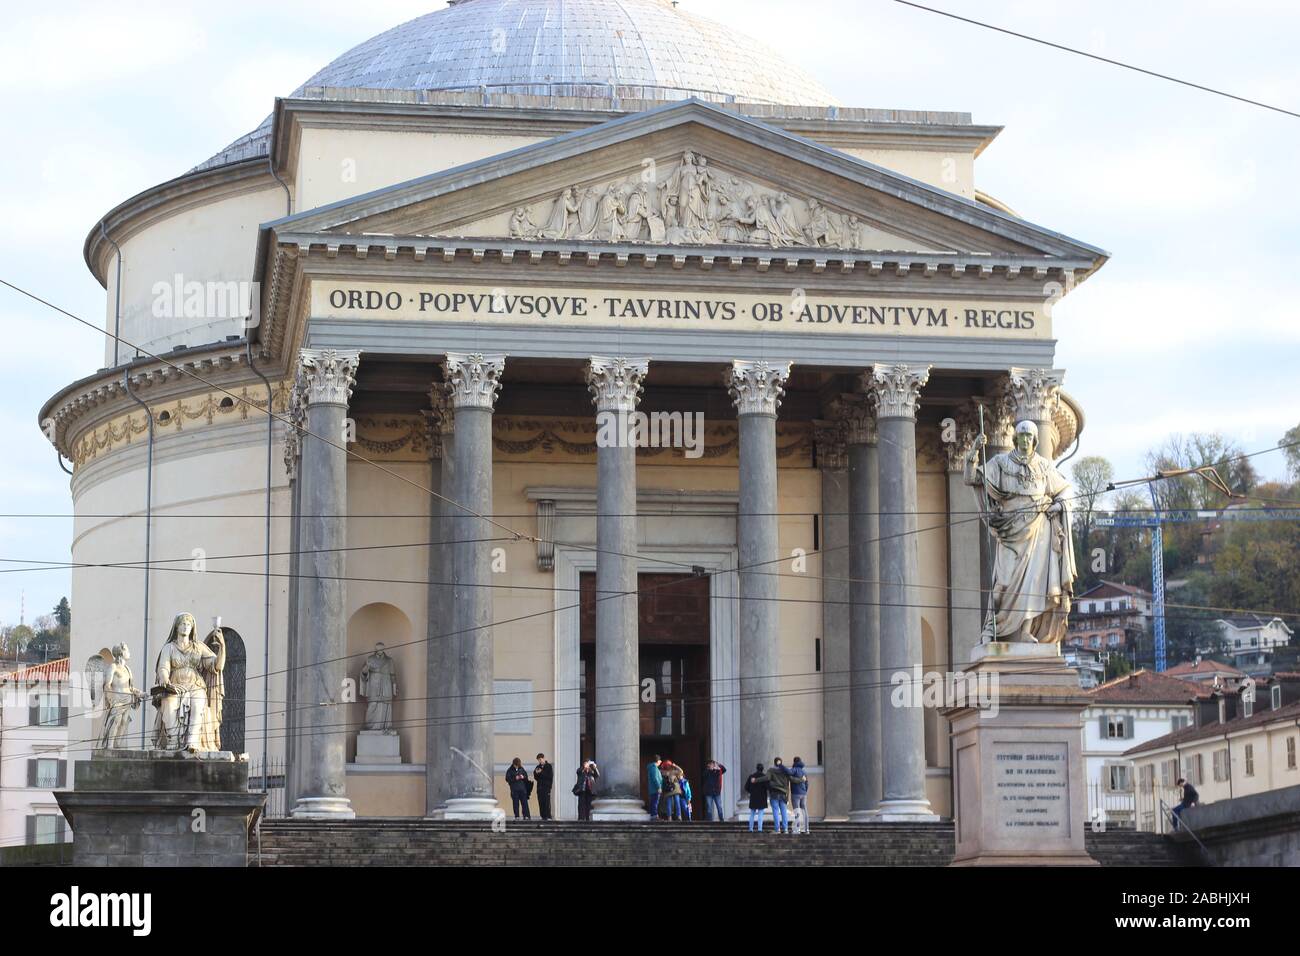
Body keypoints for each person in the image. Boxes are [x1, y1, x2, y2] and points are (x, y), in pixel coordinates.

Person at [964, 420, 1076, 644]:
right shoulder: (1001, 463)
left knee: (1033, 583)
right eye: (1022, 436)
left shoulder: (1044, 467)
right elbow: (972, 478)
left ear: (1034, 441)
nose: (1025, 440)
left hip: (1038, 531)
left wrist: (1058, 505)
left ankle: (1025, 631)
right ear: (1015, 439)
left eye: (1029, 437)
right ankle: (990, 629)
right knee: (1002, 585)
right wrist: (974, 452)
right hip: (1010, 530)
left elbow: (1065, 491)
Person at [767, 757, 792, 834]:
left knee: (775, 811)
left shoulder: (771, 770)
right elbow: (788, 784)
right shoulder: (785, 771)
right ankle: (785, 829)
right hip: (783, 794)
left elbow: (767, 780)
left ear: (774, 763)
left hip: (774, 793)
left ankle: (777, 829)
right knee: (784, 812)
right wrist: (787, 797)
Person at [745, 764, 769, 832]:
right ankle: (760, 829)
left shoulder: (751, 776)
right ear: (762, 769)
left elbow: (746, 787)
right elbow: (767, 787)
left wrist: (751, 791)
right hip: (762, 797)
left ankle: (750, 829)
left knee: (752, 814)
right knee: (760, 814)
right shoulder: (764, 777)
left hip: (753, 797)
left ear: (756, 768)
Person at [788, 757, 810, 833]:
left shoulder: (794, 770)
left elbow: (790, 777)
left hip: (795, 793)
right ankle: (806, 829)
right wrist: (805, 791)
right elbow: (807, 783)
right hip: (803, 794)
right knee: (804, 810)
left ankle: (797, 829)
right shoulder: (804, 772)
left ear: (794, 762)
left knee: (797, 810)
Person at [533, 753, 554, 820]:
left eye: (540, 759)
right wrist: (536, 773)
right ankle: (542, 816)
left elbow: (549, 776)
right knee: (541, 802)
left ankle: (548, 816)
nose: (540, 761)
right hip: (539, 787)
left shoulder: (548, 766)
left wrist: (541, 772)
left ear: (543, 758)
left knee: (546, 802)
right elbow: (536, 777)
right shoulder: (538, 767)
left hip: (546, 787)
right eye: (538, 760)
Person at [646, 755, 664, 820]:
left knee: (653, 802)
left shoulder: (652, 767)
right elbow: (655, 778)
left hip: (653, 788)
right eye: (660, 761)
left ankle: (653, 815)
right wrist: (659, 787)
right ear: (658, 761)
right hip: (655, 789)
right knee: (655, 802)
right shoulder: (654, 768)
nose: (661, 762)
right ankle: (654, 816)